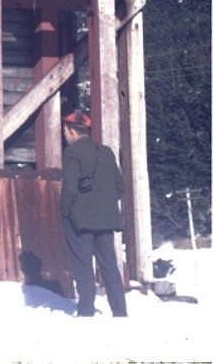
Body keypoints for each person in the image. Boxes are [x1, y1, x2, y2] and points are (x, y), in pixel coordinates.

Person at [59, 110, 128, 317]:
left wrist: (65, 212)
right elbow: (120, 187)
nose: (64, 135)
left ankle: (86, 311)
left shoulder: (71, 153)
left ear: (71, 131)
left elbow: (70, 188)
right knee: (110, 267)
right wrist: (103, 204)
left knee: (83, 265)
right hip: (106, 220)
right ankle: (120, 312)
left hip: (80, 220)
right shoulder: (106, 152)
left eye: (65, 130)